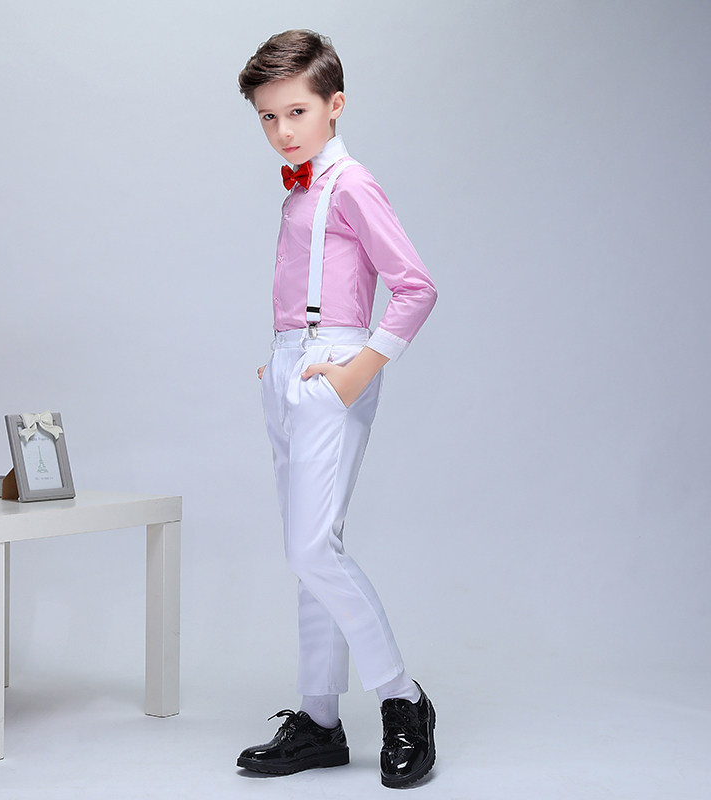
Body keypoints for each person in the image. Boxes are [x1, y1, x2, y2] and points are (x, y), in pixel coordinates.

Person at [236, 29, 438, 789]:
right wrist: (282, 360)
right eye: (268, 117)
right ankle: (319, 720)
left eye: (296, 112)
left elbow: (415, 287)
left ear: (335, 105)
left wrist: (356, 371)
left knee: (311, 550)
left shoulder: (351, 183)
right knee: (310, 548)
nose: (282, 131)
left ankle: (402, 698)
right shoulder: (300, 186)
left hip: (336, 369)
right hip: (291, 366)